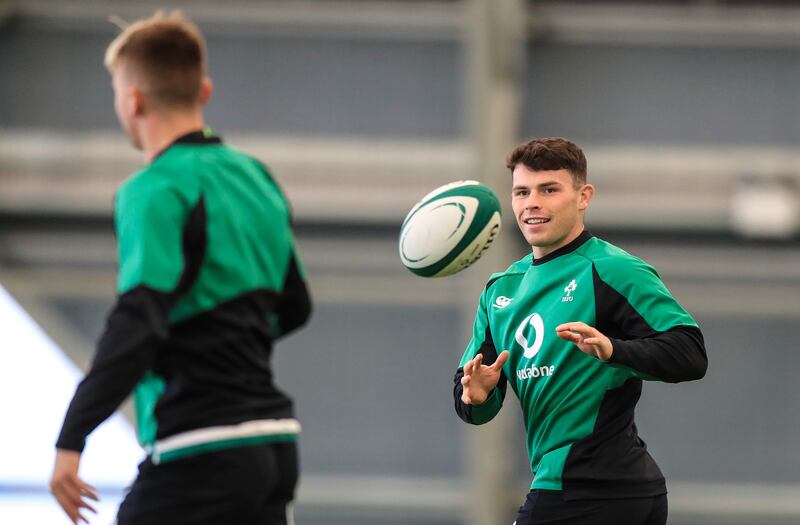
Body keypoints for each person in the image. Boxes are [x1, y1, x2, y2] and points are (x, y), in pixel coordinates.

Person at [50, 12, 311, 525]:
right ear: (204, 91)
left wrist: (72, 435)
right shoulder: (254, 176)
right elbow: (295, 305)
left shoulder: (152, 190)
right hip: (274, 444)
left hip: (200, 448)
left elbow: (139, 319)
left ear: (133, 101)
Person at [453, 137, 707, 525]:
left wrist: (614, 351)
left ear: (583, 196)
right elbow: (471, 401)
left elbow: (690, 354)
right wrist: (477, 395)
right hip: (591, 490)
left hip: (591, 487)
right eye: (522, 192)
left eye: (549, 190)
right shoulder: (500, 289)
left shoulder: (613, 270)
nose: (532, 203)